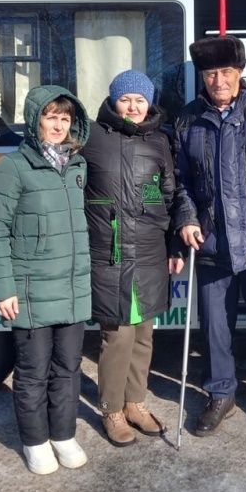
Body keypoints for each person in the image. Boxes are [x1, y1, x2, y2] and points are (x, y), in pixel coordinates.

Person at [172, 35, 246, 438]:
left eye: (226, 72)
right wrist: (187, 217)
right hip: (211, 241)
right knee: (216, 327)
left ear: (240, 73)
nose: (218, 80)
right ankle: (220, 393)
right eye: (210, 73)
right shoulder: (188, 119)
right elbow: (181, 179)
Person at [0, 85, 92, 475]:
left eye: (65, 117)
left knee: (68, 367)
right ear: (35, 121)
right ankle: (35, 441)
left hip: (72, 286)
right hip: (30, 289)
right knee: (33, 372)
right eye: (51, 116)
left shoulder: (77, 165)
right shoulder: (13, 166)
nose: (58, 125)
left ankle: (63, 434)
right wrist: (4, 288)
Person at [83, 70, 185, 447]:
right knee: (117, 336)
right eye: (125, 99)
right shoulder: (91, 137)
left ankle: (135, 402)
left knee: (144, 334)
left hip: (149, 252)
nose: (132, 106)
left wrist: (174, 243)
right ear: (113, 101)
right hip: (109, 253)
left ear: (149, 103)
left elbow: (169, 195)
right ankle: (111, 408)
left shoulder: (159, 141)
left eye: (139, 100)